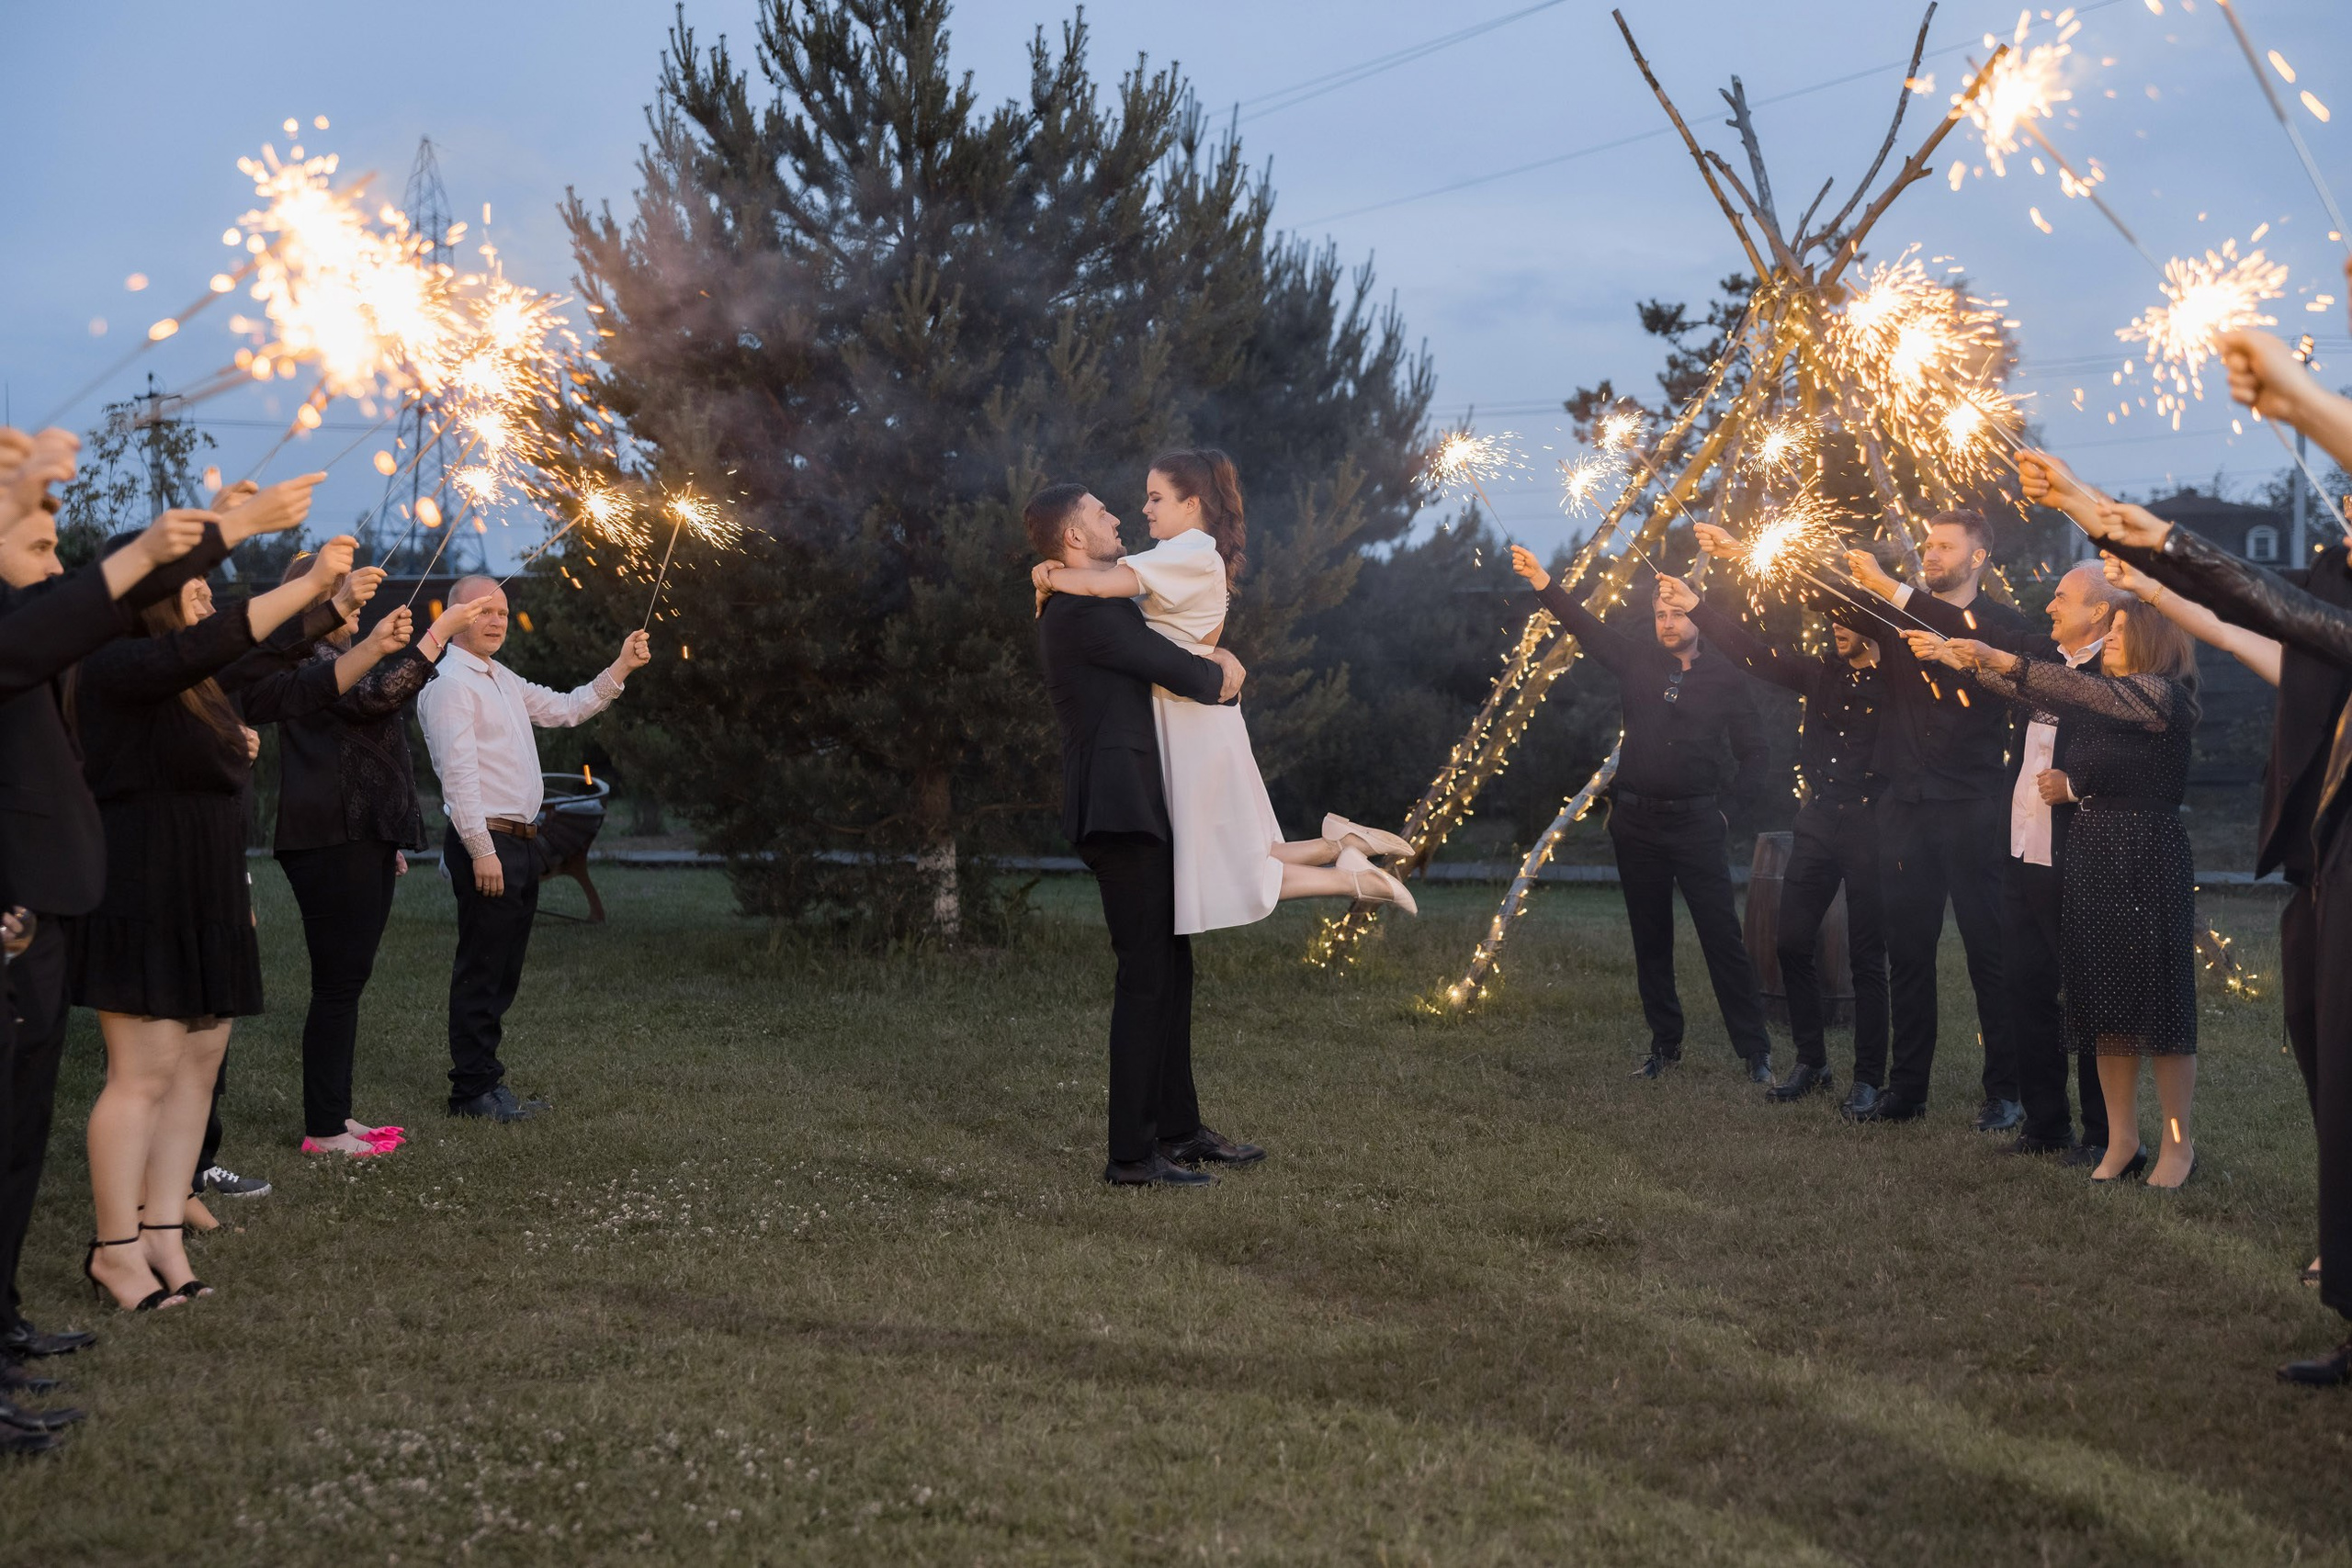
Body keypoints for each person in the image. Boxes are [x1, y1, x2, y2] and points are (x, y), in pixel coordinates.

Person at [2048, 449, 2352, 1385]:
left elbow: (2262, 606)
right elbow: (2244, 633)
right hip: (2323, 874)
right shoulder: (2329, 646)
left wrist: (2120, 522)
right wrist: (2137, 567)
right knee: (2323, 1060)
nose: (2344, 513)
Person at [72, 530, 389, 1313]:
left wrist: (335, 608)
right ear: (148, 597)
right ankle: (114, 1250)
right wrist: (313, 580)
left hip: (209, 892)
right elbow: (226, 641)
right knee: (141, 1073)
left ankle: (162, 1231)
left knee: (197, 1068)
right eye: (192, 586)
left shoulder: (197, 683)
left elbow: (261, 660)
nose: (208, 596)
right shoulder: (120, 667)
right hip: (148, 892)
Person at [1030, 449, 1416, 931]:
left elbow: (1103, 588)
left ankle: (1349, 872)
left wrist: (1049, 576)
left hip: (1192, 716)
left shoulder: (1187, 552)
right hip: (1191, 714)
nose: (1143, 509)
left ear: (1191, 504)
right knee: (1239, 847)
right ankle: (1342, 851)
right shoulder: (1175, 555)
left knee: (1227, 857)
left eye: (1155, 498)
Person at [1907, 598, 2201, 1189]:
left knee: (2160, 1010)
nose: (2111, 638)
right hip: (2091, 855)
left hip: (2145, 856)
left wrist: (2001, 657)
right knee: (2101, 1008)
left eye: (2122, 630)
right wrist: (1958, 659)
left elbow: (2063, 687)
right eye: (2110, 628)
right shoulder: (2095, 696)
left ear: (2153, 640)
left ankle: (2178, 1147)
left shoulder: (2163, 696)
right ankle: (2120, 1141)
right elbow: (2033, 695)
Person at [1026, 481, 1265, 1187]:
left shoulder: (1083, 600)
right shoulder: (1084, 614)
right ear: (1074, 537)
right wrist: (1224, 669)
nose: (1118, 516)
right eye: (1101, 513)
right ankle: (1132, 1155)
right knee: (1145, 978)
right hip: (1118, 811)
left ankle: (1178, 1129)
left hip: (1137, 808)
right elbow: (1183, 673)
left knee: (1171, 968)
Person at [1509, 544, 1773, 1081]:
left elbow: (1757, 754)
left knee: (1721, 937)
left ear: (1697, 615)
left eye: (1678, 613)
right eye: (1660, 614)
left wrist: (1727, 810)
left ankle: (1756, 1053)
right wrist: (1542, 580)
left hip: (1698, 823)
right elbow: (1584, 624)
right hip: (1636, 824)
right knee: (1650, 939)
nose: (1669, 623)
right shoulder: (1636, 661)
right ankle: (1665, 1047)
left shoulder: (1725, 677)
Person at [271, 557, 494, 1156]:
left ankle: (337, 1117)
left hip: (358, 836)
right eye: (341, 597)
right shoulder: (308, 661)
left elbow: (370, 737)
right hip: (329, 838)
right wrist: (437, 633)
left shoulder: (330, 658)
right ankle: (323, 1128)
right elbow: (375, 696)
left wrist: (384, 834)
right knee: (338, 984)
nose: (356, 607)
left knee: (347, 982)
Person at [415, 577, 650, 1122]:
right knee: (481, 968)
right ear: (455, 618)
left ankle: (487, 1082)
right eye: (482, 612)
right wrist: (480, 850)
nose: (496, 621)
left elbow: (567, 709)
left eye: (502, 611)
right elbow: (459, 777)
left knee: (504, 971)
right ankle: (471, 1093)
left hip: (521, 841)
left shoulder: (499, 676)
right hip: (487, 843)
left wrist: (621, 668)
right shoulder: (451, 684)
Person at [1664, 543, 1886, 1107]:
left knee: (1866, 955)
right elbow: (1753, 654)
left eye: (1848, 619)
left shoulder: (1899, 682)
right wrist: (1703, 607)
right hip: (1818, 820)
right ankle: (1812, 1061)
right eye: (1831, 618)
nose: (1836, 628)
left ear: (1872, 624)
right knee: (1791, 943)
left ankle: (1868, 1077)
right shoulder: (1820, 674)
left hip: (1874, 826)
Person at [1837, 513, 2029, 1129]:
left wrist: (1892, 587)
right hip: (1904, 808)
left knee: (1988, 951)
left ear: (1979, 557)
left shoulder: (2001, 626)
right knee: (1909, 953)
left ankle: (2005, 1091)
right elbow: (1823, 597)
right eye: (1928, 545)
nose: (1931, 553)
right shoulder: (1895, 616)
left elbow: (1957, 627)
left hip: (1972, 807)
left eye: (1946, 546)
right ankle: (1906, 1088)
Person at [1995, 564, 2124, 1163]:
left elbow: (2139, 762)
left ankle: (2104, 1135)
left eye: (2061, 597)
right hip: (2027, 849)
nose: (2048, 605)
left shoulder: (2116, 670)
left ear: (2097, 612)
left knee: (2090, 995)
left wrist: (2076, 782)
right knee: (2025, 986)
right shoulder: (2050, 666)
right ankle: (2045, 1123)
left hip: (2080, 855)